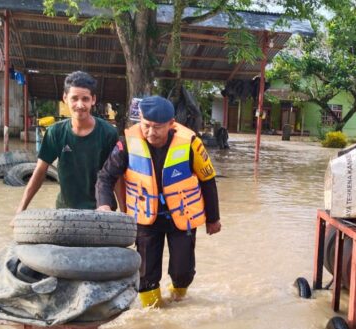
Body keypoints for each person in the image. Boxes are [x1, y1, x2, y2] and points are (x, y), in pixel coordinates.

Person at [96, 95, 221, 308]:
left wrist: (213, 218)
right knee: (146, 275)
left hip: (181, 217)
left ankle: (178, 300)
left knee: (183, 271)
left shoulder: (191, 143)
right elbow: (105, 177)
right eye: (146, 126)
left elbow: (208, 181)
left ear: (171, 124)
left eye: (158, 127)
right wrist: (105, 205)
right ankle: (153, 315)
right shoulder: (127, 143)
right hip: (145, 218)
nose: (151, 132)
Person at [13, 71, 118, 217]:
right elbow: (39, 172)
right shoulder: (55, 132)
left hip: (101, 211)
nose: (80, 105)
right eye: (74, 98)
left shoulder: (108, 134)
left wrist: (126, 216)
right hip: (65, 211)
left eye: (85, 99)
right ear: (65, 98)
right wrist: (20, 210)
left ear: (93, 100)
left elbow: (118, 177)